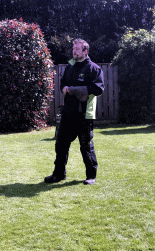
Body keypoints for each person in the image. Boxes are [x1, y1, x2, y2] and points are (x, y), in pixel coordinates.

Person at [44, 38, 104, 185]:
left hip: (84, 114)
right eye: (73, 49)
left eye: (77, 49)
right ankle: (58, 175)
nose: (74, 51)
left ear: (85, 51)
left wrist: (74, 90)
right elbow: (62, 83)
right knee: (61, 144)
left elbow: (98, 89)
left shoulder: (94, 69)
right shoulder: (70, 67)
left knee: (86, 146)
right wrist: (64, 87)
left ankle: (91, 176)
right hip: (68, 112)